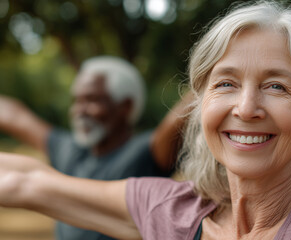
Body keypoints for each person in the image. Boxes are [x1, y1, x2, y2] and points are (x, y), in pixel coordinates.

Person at [0, 1, 291, 239]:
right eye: (225, 84)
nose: (246, 107)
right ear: (201, 107)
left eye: (276, 86)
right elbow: (25, 182)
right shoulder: (173, 214)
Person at [0, 56, 189, 240]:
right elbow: (15, 116)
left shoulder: (146, 154)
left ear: (126, 106)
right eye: (77, 101)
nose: (79, 111)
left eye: (92, 100)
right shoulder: (67, 149)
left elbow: (182, 115)